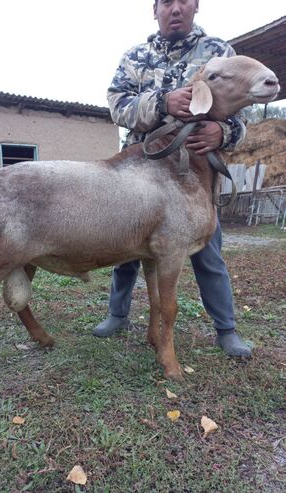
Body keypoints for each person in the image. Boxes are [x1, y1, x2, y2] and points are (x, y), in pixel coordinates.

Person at [92, 0, 251, 357]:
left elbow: (242, 115)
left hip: (194, 180)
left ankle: (226, 329)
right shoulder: (136, 57)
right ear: (154, 9)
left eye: (183, 1)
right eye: (166, 2)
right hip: (139, 175)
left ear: (196, 7)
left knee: (207, 252)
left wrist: (221, 133)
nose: (174, 8)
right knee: (126, 249)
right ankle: (118, 314)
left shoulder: (219, 54)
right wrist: (163, 103)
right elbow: (117, 105)